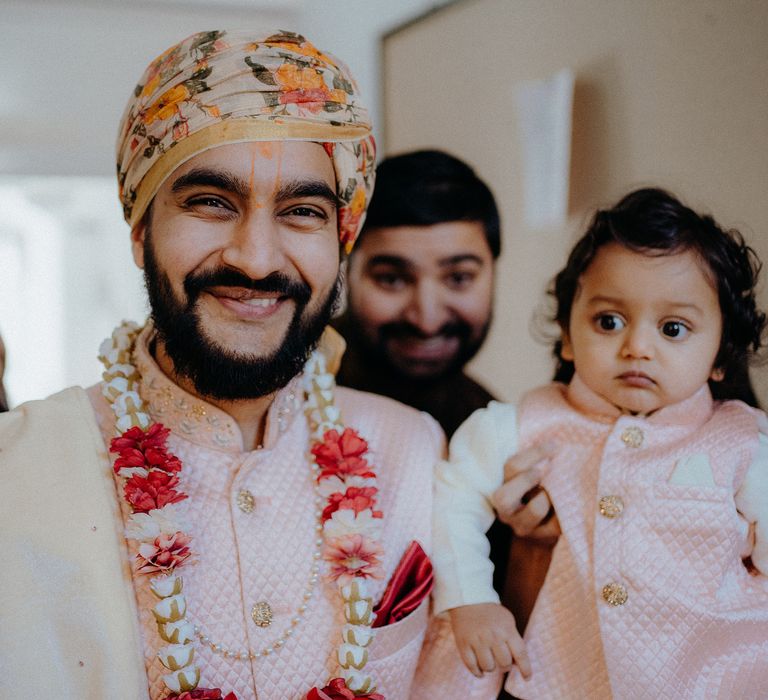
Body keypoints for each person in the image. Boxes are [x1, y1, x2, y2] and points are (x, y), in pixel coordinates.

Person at [0, 30, 500, 699]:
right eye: (211, 202)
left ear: (340, 241)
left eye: (302, 211)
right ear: (141, 227)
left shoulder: (413, 451)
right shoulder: (23, 471)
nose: (257, 258)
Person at [433, 188, 768, 697]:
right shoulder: (519, 425)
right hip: (568, 679)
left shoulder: (742, 443)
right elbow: (451, 499)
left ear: (721, 357)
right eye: (608, 321)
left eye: (673, 328)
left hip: (718, 680)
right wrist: (470, 599)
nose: (637, 347)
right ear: (568, 334)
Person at [333, 151, 554, 649]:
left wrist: (533, 545)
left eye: (458, 278)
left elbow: (508, 645)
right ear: (347, 268)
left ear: (492, 272)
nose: (427, 316)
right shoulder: (289, 395)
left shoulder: (495, 433)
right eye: (391, 278)